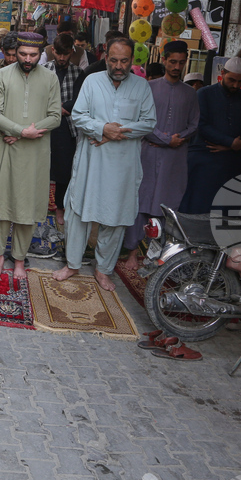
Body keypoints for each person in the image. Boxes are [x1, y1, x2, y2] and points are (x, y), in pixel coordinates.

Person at [53, 38, 157, 291]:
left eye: (124, 61)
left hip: (123, 166)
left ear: (132, 60)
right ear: (106, 58)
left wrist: (115, 132)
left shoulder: (142, 87)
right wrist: (102, 129)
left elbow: (149, 123)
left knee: (115, 217)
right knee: (78, 211)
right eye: (113, 60)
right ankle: (73, 264)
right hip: (91, 160)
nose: (118, 66)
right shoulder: (92, 81)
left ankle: (103, 270)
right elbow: (78, 115)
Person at [0, 32, 62, 280]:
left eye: (33, 55)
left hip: (34, 151)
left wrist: (24, 133)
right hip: (4, 147)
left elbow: (56, 116)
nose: (27, 59)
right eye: (23, 54)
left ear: (41, 54)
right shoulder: (2, 76)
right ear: (15, 52)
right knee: (1, 201)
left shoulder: (50, 78)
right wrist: (19, 130)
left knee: (27, 205)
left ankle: (18, 260)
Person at [124, 40, 199, 270]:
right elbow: (142, 122)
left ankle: (163, 256)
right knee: (141, 203)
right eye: (172, 61)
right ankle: (132, 253)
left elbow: (194, 124)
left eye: (181, 62)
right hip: (149, 153)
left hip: (175, 160)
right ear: (164, 60)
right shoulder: (149, 87)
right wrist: (167, 139)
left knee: (168, 206)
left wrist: (179, 138)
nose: (177, 67)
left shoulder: (190, 94)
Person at [180, 56, 241, 214]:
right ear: (222, 73)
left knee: (227, 208)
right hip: (205, 158)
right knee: (199, 206)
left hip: (232, 162)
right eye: (231, 80)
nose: (235, 85)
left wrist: (236, 144)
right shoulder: (204, 94)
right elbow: (200, 125)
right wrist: (230, 143)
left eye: (240, 81)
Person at [44, 33, 84, 226]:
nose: (62, 58)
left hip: (67, 129)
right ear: (53, 51)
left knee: (63, 172)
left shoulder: (78, 74)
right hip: (44, 127)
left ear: (71, 53)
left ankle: (60, 208)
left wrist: (60, 109)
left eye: (65, 54)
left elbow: (80, 101)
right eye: (59, 53)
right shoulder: (43, 70)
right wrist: (55, 109)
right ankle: (39, 206)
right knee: (41, 168)